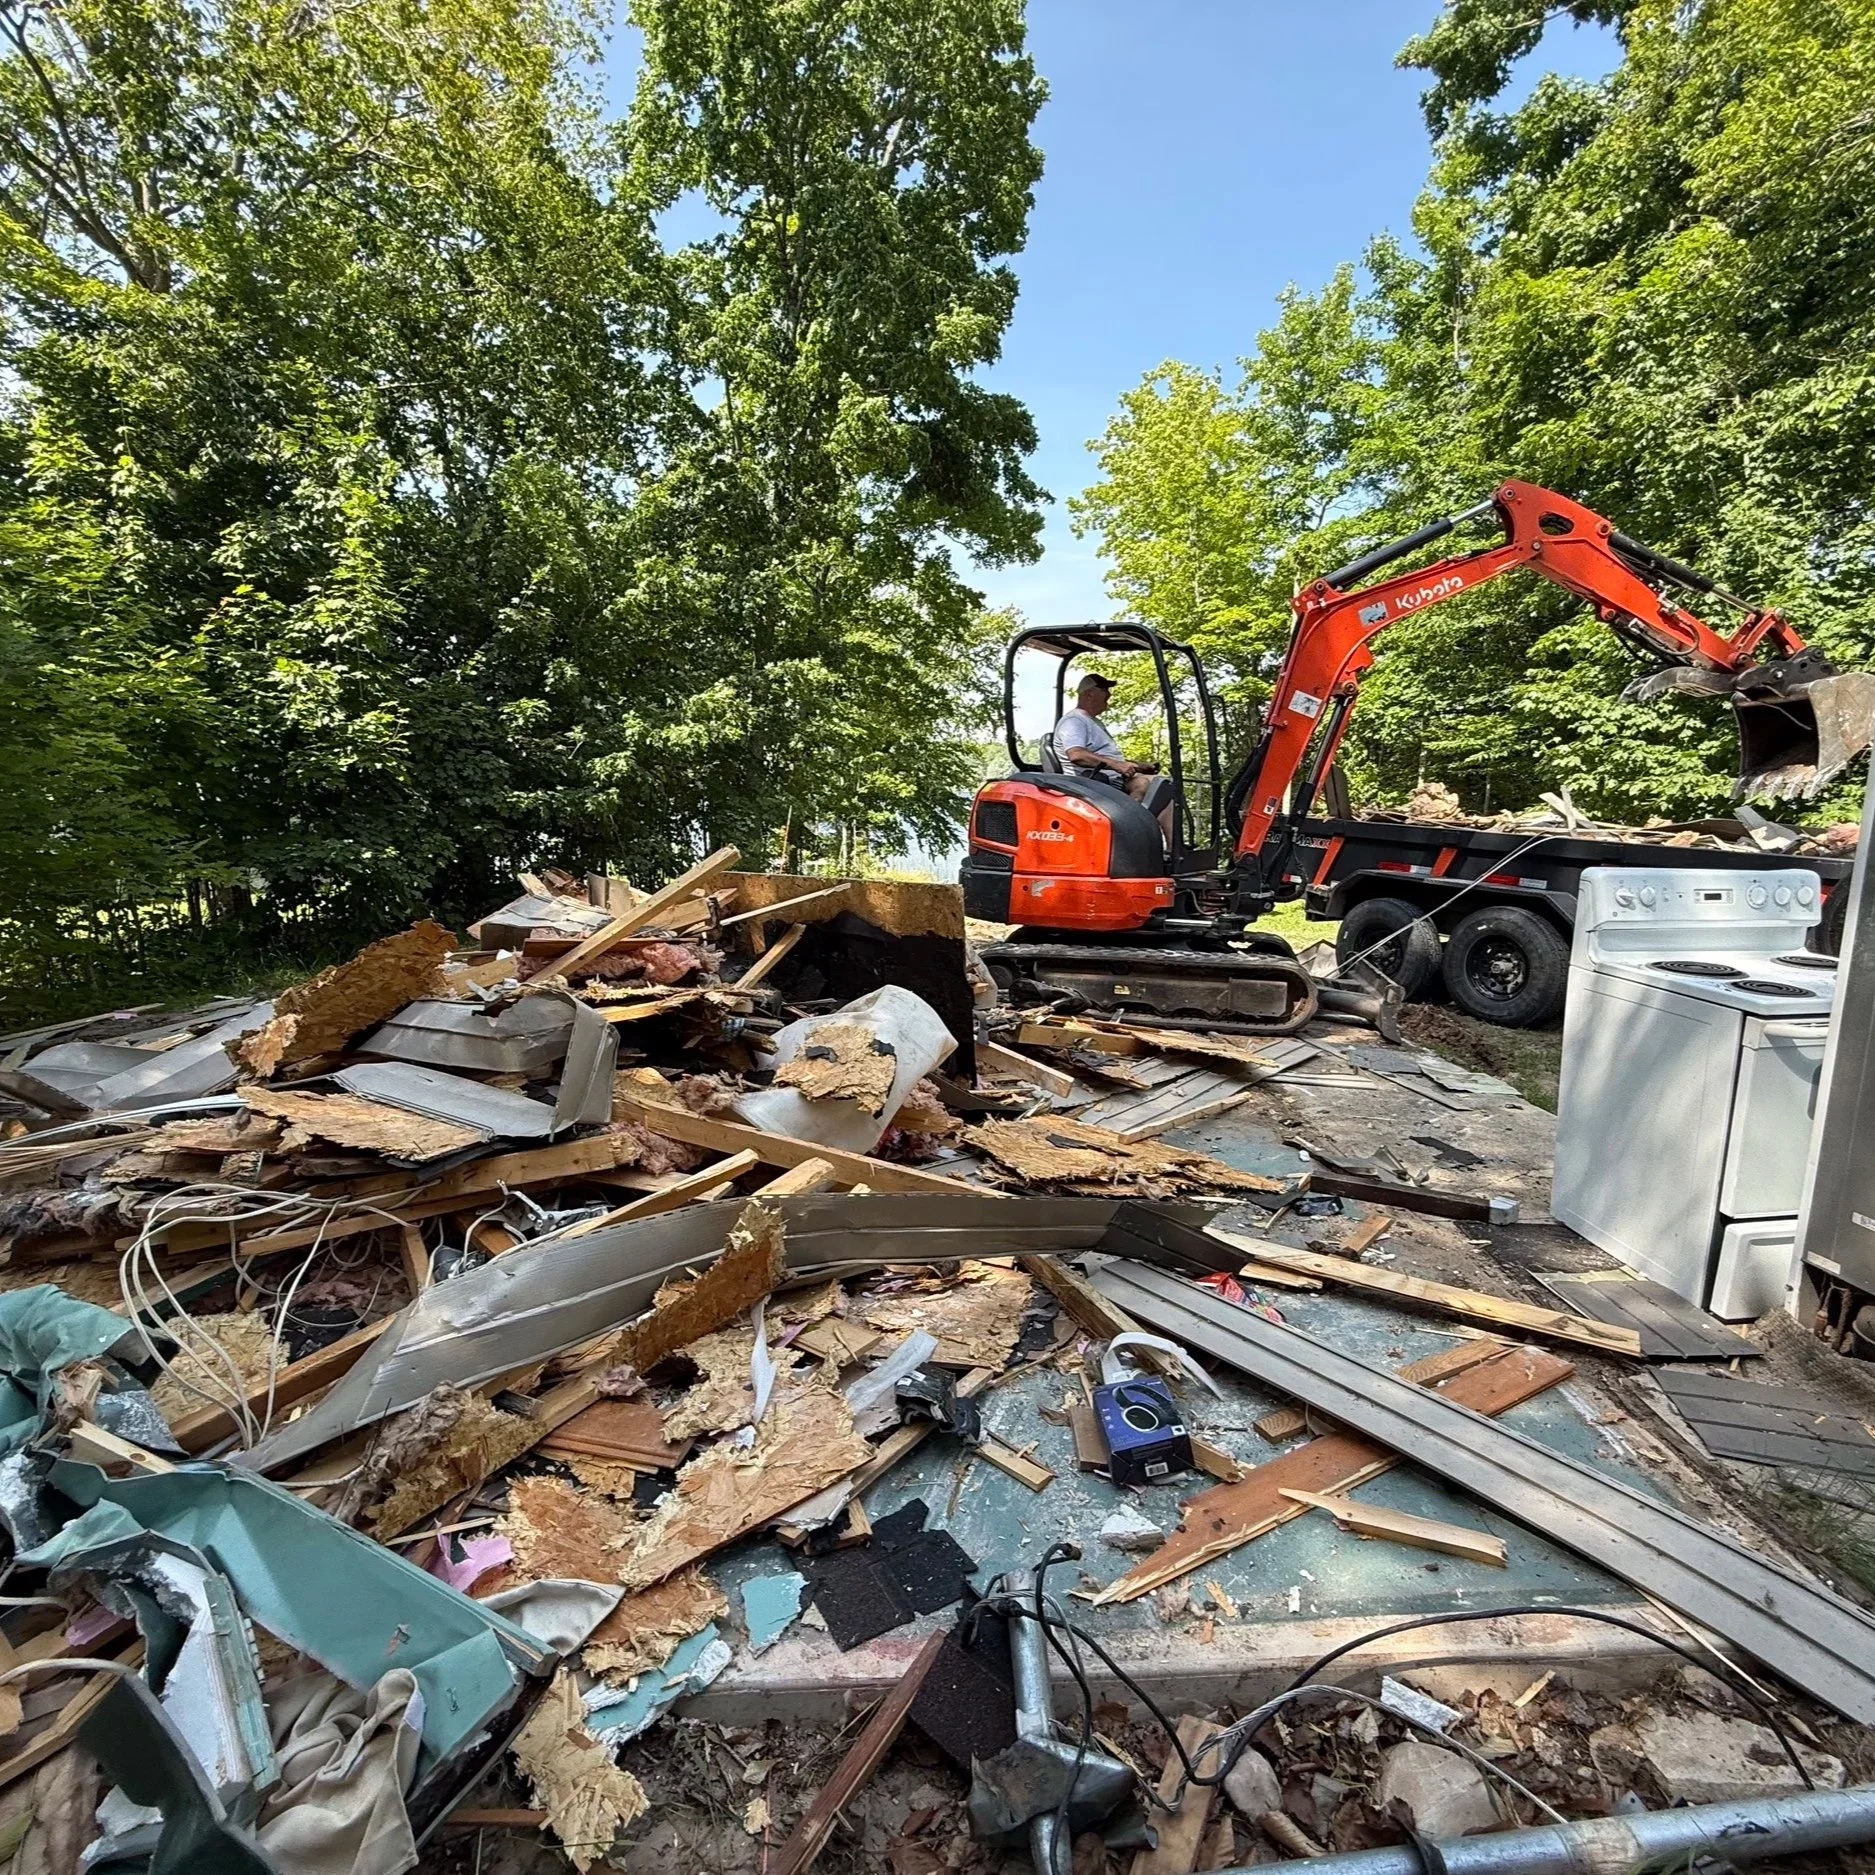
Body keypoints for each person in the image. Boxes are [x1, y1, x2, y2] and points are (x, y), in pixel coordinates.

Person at [1051, 673, 1175, 841]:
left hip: (1105, 780)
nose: (1109, 694)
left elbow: (1105, 756)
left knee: (1162, 786)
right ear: (1089, 694)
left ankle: (1173, 848)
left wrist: (1137, 766)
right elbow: (1076, 754)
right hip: (1090, 783)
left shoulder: (1093, 722)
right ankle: (1125, 834)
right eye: (1105, 690)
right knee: (1143, 783)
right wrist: (1116, 765)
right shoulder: (1074, 721)